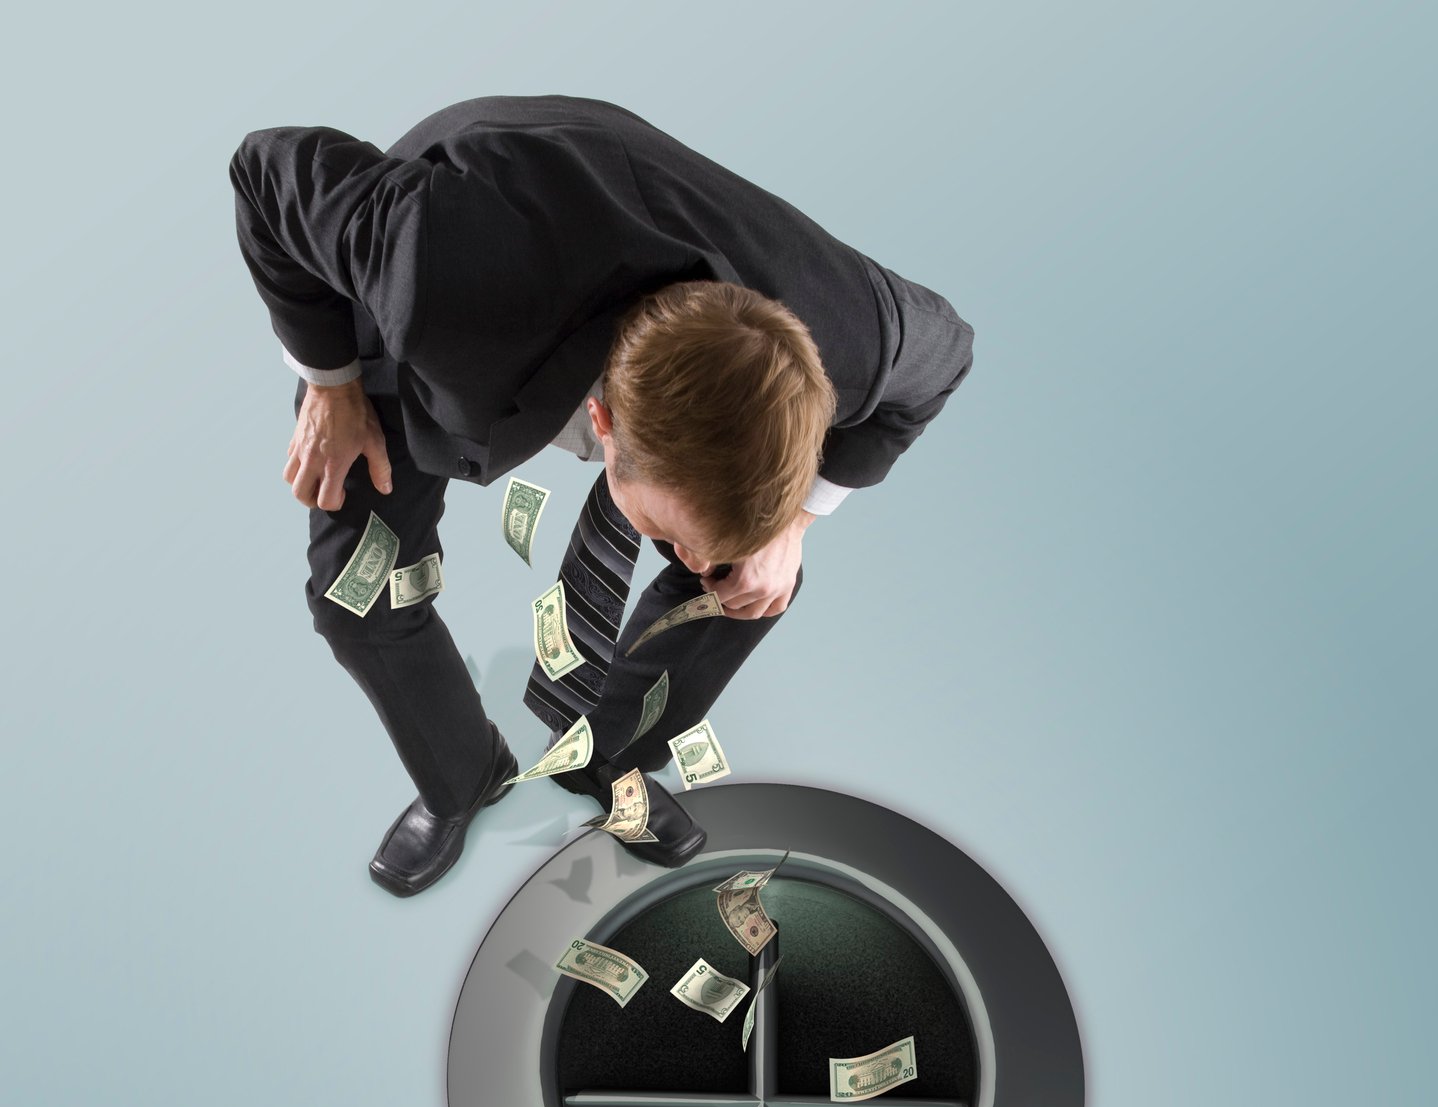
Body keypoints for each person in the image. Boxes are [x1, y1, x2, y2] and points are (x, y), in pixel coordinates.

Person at [230, 94, 974, 896]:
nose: (690, 560)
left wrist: (792, 522)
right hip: (456, 305)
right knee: (356, 597)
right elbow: (266, 167)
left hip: (626, 251)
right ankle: (463, 775)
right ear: (601, 424)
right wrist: (329, 382)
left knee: (755, 584)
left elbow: (950, 355)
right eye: (674, 529)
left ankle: (605, 755)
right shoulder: (432, 263)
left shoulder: (856, 333)